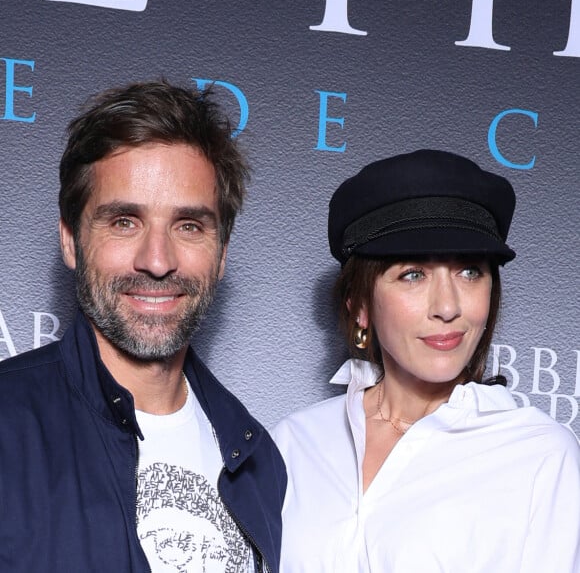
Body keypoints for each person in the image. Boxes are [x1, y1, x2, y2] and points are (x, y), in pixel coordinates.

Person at [0, 80, 286, 572]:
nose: (157, 261)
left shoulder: (258, 459)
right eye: (124, 221)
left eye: (189, 226)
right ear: (71, 241)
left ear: (221, 254)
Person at [272, 149, 580, 572]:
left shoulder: (541, 456)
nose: (448, 306)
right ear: (360, 305)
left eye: (470, 272)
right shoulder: (292, 445)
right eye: (413, 274)